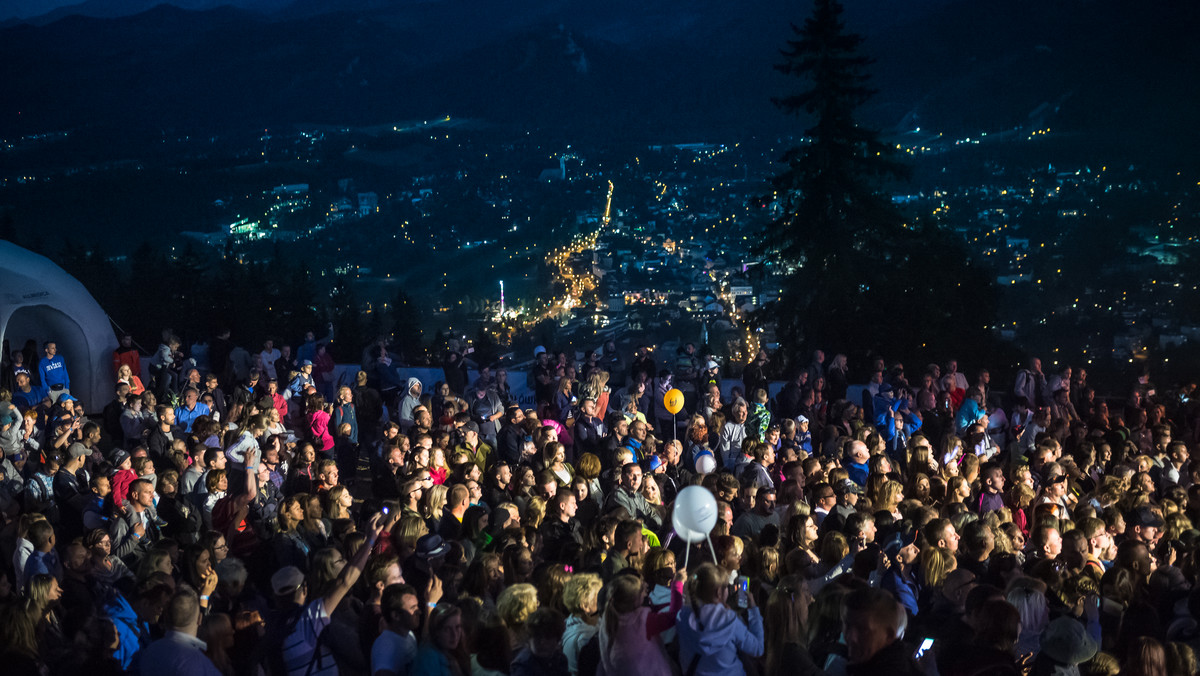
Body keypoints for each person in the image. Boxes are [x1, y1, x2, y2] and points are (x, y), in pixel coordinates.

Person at [676, 562, 764, 676]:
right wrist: (753, 610)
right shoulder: (729, 620)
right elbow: (757, 649)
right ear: (718, 592)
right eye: (726, 587)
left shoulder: (682, 616)